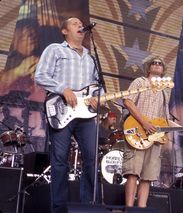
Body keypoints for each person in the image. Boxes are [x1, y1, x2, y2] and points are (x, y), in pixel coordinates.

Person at [35, 17, 104, 212]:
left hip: (86, 115)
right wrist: (63, 89)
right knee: (59, 160)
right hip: (61, 110)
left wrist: (99, 97)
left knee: (91, 158)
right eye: (74, 23)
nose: (80, 25)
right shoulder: (55, 49)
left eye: (81, 23)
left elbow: (98, 85)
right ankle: (59, 207)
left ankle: (88, 206)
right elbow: (40, 75)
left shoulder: (91, 57)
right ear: (65, 31)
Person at [122, 56, 183, 208]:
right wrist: (145, 123)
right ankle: (129, 209)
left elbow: (165, 120)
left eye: (159, 64)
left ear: (163, 71)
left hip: (153, 138)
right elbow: (128, 101)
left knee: (148, 176)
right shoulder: (140, 82)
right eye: (153, 63)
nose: (156, 65)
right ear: (148, 67)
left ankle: (141, 209)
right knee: (133, 173)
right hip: (137, 133)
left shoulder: (164, 93)